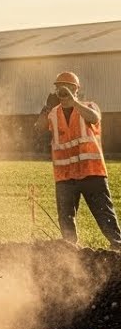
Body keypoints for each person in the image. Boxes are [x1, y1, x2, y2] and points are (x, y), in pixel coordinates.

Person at [36, 72, 121, 248]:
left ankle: (118, 248)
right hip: (65, 177)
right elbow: (39, 128)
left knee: (104, 214)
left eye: (67, 88)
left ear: (76, 90)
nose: (63, 93)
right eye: (59, 89)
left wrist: (74, 103)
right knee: (65, 218)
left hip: (91, 173)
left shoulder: (88, 106)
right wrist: (45, 109)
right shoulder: (52, 113)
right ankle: (70, 254)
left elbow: (94, 118)